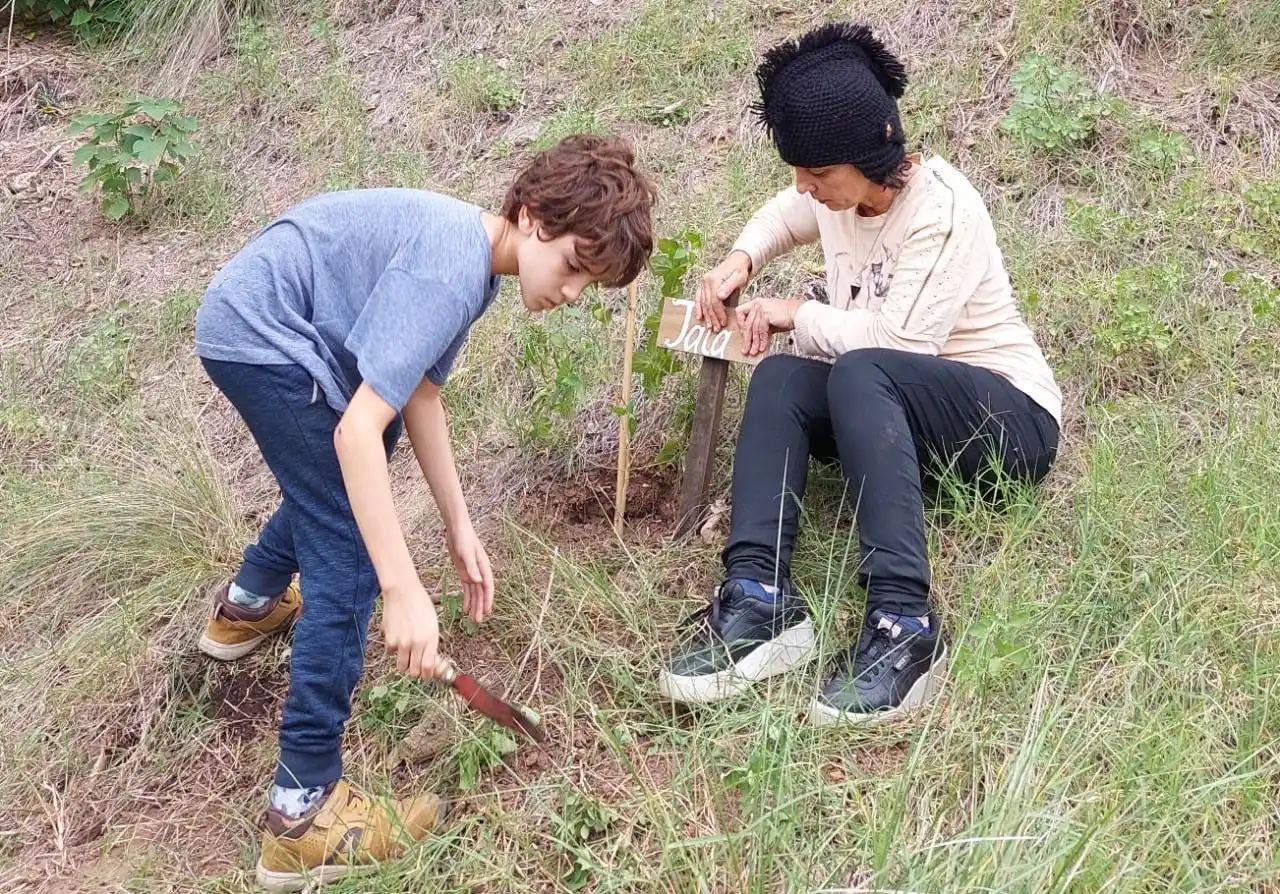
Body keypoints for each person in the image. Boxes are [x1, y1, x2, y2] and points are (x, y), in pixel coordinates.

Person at [193, 135, 654, 892]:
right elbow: (353, 433)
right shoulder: (452, 267)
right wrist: (403, 587)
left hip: (252, 318)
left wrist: (458, 524)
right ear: (533, 216)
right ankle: (301, 814)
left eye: (589, 285)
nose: (571, 292)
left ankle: (248, 607)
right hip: (263, 333)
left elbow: (419, 395)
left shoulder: (472, 260)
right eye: (574, 265)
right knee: (346, 543)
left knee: (333, 490)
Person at [658, 24, 1061, 726]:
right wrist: (740, 262)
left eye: (818, 175)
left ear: (871, 155)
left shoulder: (942, 208)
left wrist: (792, 310)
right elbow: (788, 212)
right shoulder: (835, 193)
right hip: (903, 429)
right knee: (783, 378)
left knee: (860, 369)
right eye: (799, 171)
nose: (804, 187)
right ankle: (759, 600)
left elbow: (902, 341)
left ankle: (904, 627)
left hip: (1007, 424)